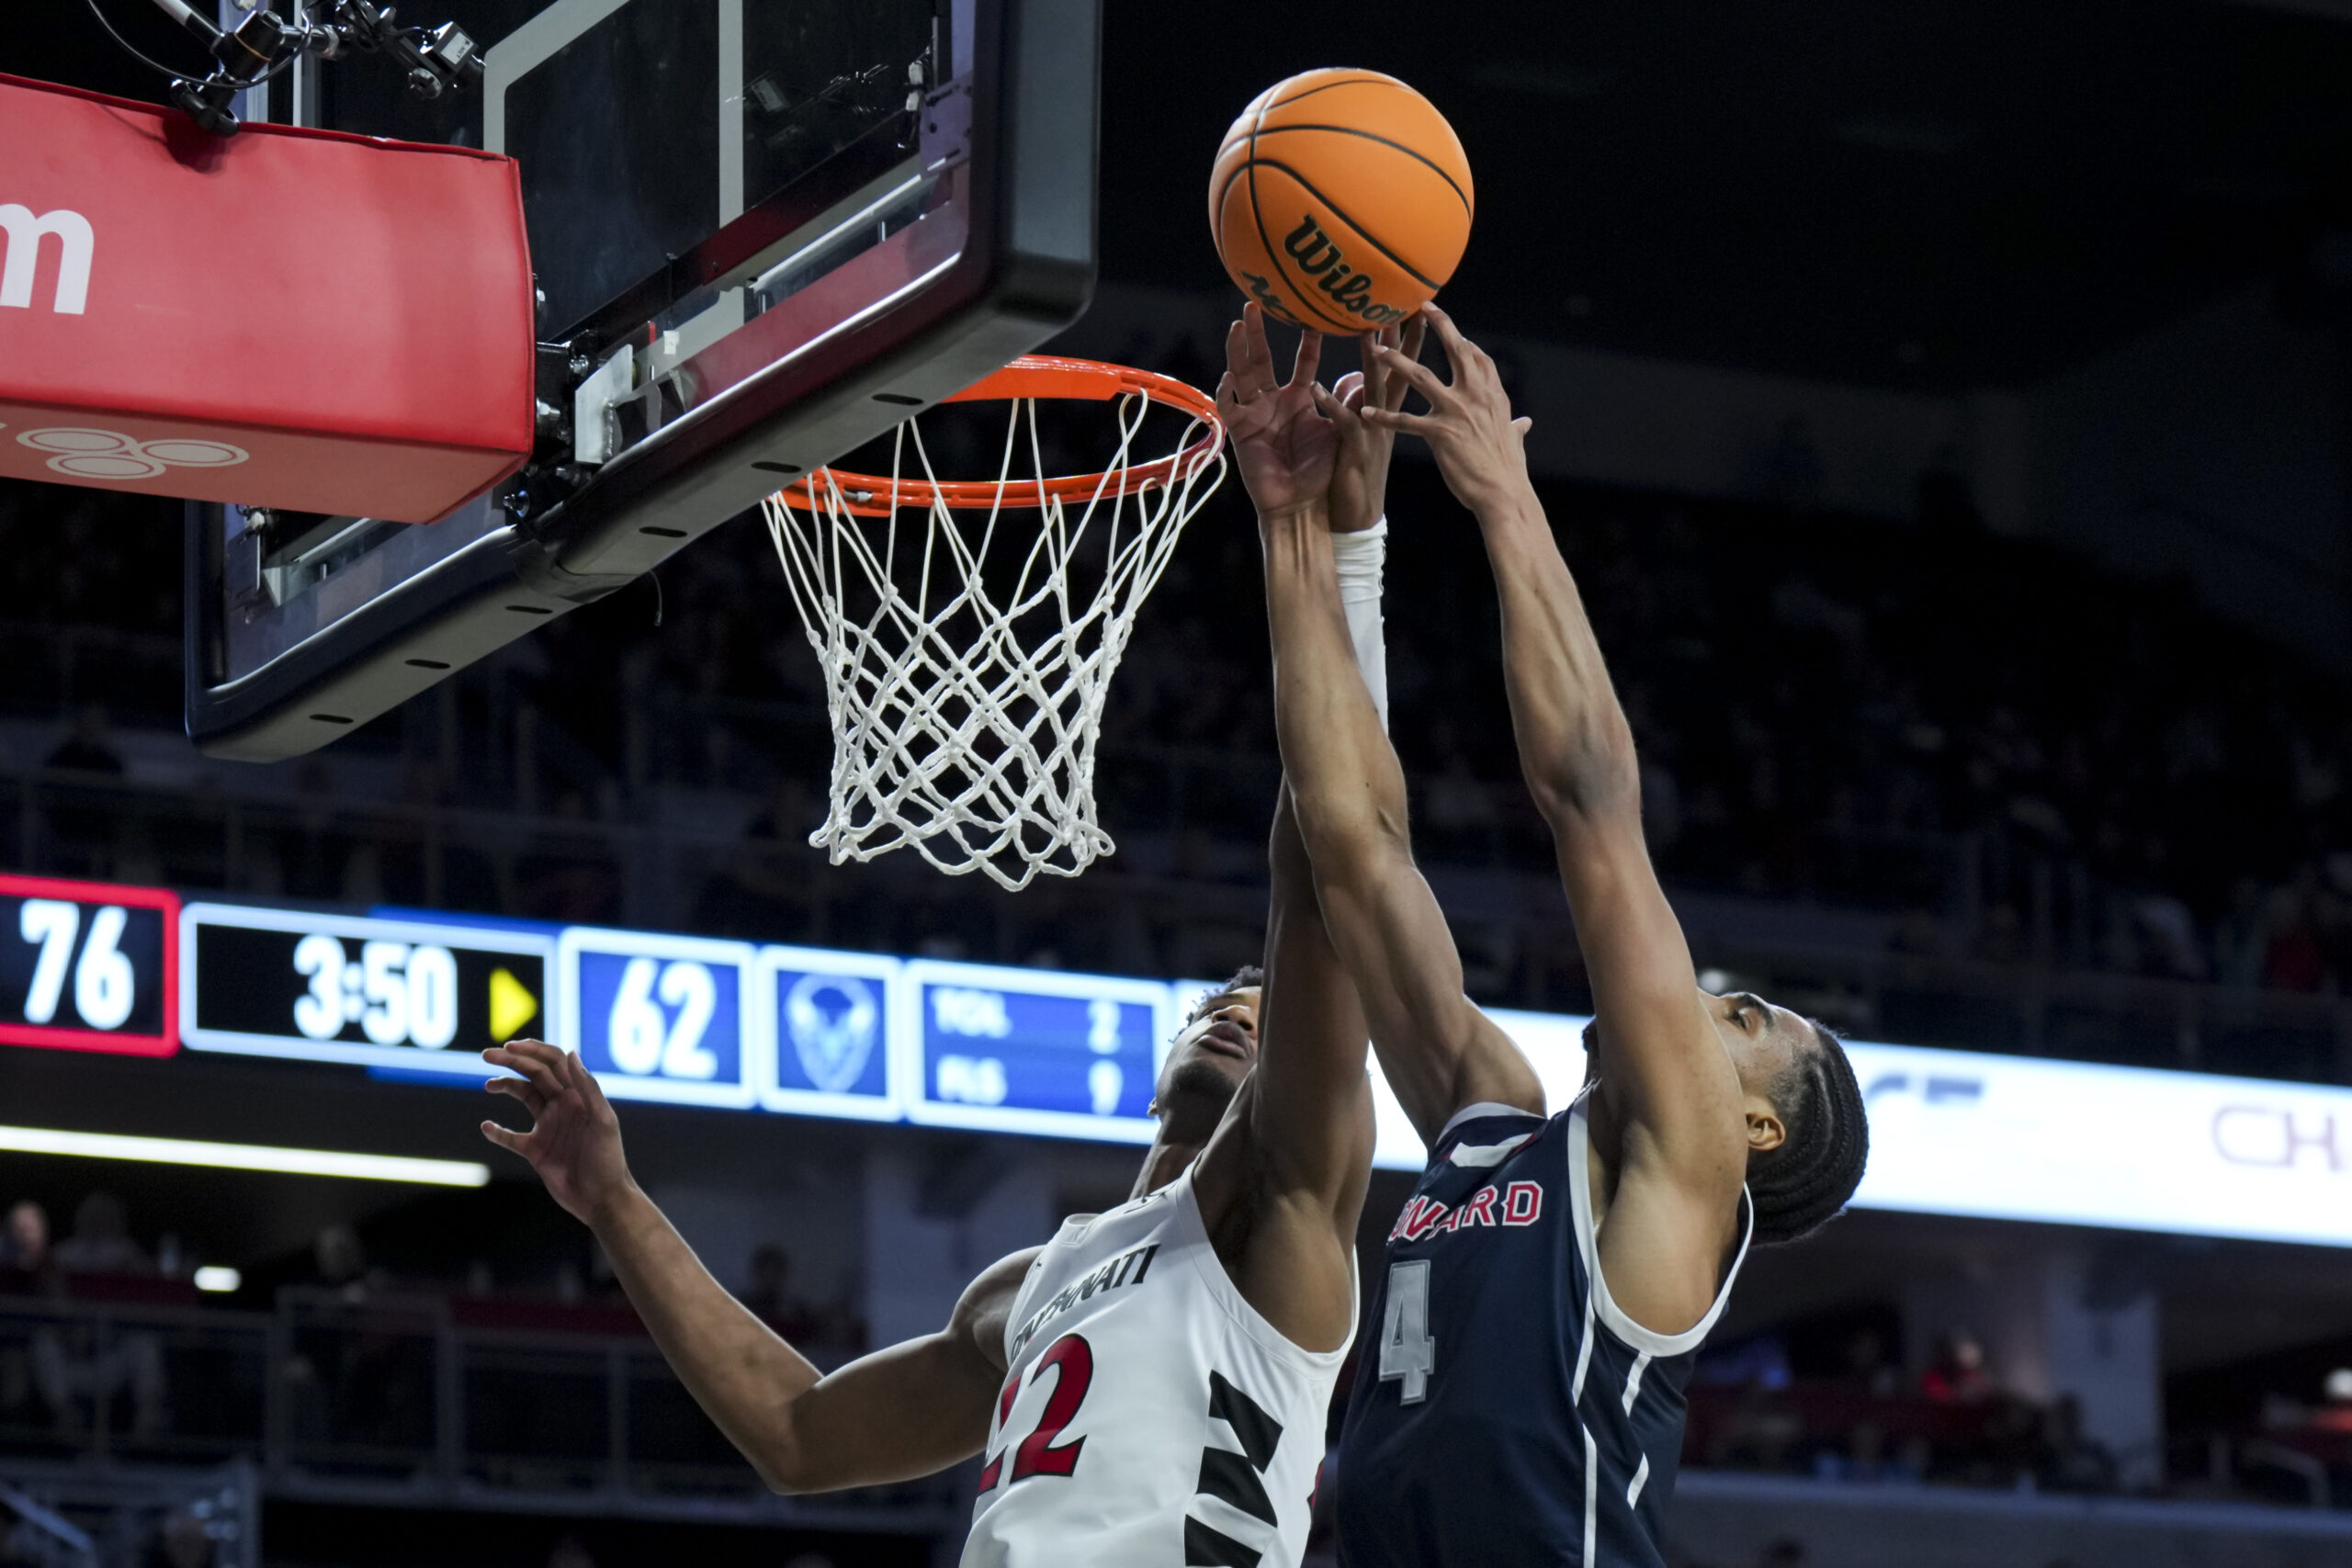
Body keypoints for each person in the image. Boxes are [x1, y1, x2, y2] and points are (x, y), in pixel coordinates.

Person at [1214, 299, 1870, 1567]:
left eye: (1746, 1022)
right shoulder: (1491, 1107)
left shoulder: (1686, 1181)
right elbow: (1353, 850)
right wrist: (1309, 532)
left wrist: (1508, 500)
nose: (1710, 996)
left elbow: (1592, 806)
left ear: (1755, 1129)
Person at [476, 802, 1377, 1563]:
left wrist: (1322, 607)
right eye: (1216, 1011)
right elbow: (798, 1431)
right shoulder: (1026, 1286)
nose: (1232, 1023)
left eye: (1261, 1026)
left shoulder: (1273, 1224)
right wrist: (612, 1199)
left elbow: (1316, 890)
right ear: (1150, 1081)